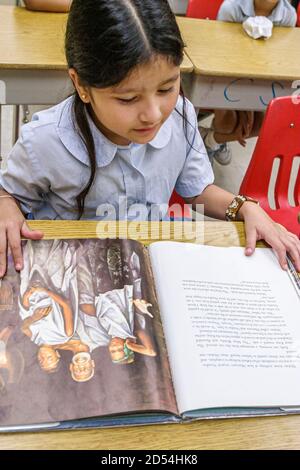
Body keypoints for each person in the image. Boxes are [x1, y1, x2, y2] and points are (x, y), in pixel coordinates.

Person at [0, 0, 298, 276]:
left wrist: (245, 207)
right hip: (74, 271)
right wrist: (5, 207)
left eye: (167, 89)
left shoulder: (180, 115)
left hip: (150, 263)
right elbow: (8, 192)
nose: (154, 114)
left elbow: (196, 189)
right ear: (81, 85)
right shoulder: (45, 140)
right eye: (129, 99)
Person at [202, 0, 297, 165]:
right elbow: (219, 56)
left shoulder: (288, 15)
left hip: (262, 79)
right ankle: (212, 143)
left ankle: (213, 140)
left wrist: (251, 105)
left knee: (262, 124)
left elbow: (279, 60)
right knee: (227, 120)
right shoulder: (231, 8)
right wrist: (243, 105)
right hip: (226, 76)